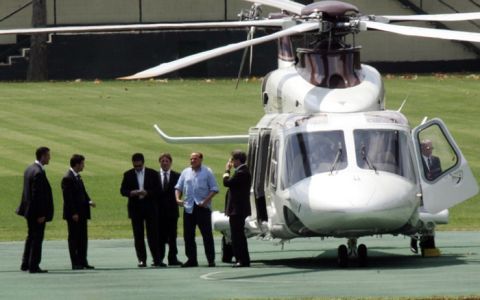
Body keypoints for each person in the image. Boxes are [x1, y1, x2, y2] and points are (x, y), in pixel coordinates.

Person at [175, 152, 219, 267]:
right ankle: (191, 259)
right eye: (191, 159)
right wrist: (177, 199)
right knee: (188, 236)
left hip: (202, 208)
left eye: (195, 159)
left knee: (207, 235)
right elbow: (178, 187)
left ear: (201, 159)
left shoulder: (207, 172)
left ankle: (211, 259)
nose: (192, 161)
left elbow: (214, 188)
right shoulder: (185, 172)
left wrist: (206, 201)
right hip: (189, 207)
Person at [120, 153, 164, 267]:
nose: (137, 168)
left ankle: (157, 259)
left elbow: (159, 190)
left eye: (139, 166)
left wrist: (147, 193)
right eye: (135, 166)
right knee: (138, 235)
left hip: (150, 208)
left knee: (153, 235)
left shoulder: (153, 173)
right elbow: (123, 190)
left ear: (143, 163)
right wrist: (132, 193)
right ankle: (141, 259)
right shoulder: (128, 174)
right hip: (135, 208)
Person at [16, 146, 54, 273]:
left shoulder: (29, 169)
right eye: (48, 155)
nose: (50, 158)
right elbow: (37, 196)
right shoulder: (38, 172)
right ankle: (33, 265)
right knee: (37, 238)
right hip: (36, 213)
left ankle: (25, 263)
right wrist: (41, 214)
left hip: (28, 211)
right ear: (42, 156)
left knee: (30, 236)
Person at [61, 154, 96, 270]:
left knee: (82, 238)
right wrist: (73, 213)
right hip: (74, 215)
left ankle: (83, 261)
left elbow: (83, 192)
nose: (83, 166)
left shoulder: (78, 177)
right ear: (77, 164)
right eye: (82, 164)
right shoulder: (68, 178)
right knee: (74, 238)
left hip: (82, 213)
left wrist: (89, 201)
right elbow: (68, 198)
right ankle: (75, 263)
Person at [411, 139, 443, 254]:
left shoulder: (436, 160)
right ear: (422, 149)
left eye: (431, 148)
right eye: (428, 148)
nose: (430, 151)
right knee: (418, 218)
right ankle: (414, 241)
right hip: (420, 194)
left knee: (430, 219)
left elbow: (439, 175)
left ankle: (429, 244)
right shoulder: (416, 161)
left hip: (432, 194)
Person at [223, 150, 252, 267]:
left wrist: (226, 170)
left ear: (238, 160)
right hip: (238, 209)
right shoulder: (242, 171)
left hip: (238, 209)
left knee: (237, 235)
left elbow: (226, 182)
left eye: (232, 160)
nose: (231, 162)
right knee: (237, 235)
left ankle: (242, 259)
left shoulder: (242, 172)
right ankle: (241, 258)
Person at [157, 153, 182, 266]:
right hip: (158, 212)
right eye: (162, 161)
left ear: (170, 162)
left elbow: (181, 189)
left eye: (167, 161)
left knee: (172, 236)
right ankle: (158, 258)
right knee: (159, 236)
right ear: (160, 162)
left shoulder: (177, 176)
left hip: (172, 211)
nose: (165, 163)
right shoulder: (154, 176)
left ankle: (173, 258)